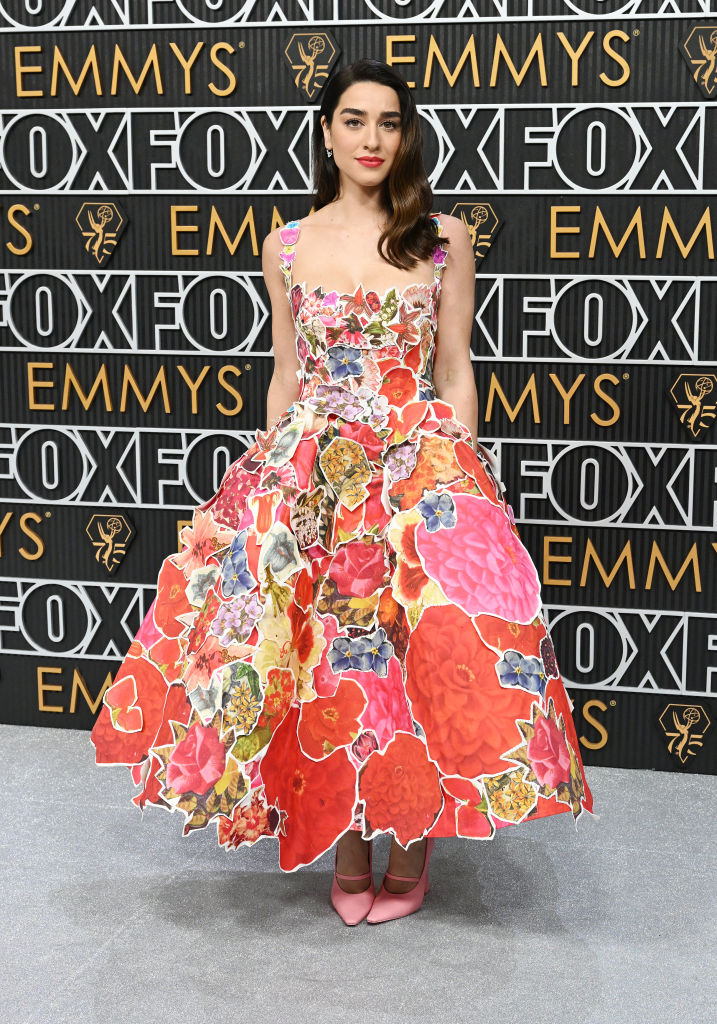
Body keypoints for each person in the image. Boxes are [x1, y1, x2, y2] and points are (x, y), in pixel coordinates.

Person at [90, 57, 594, 927]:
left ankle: (411, 845)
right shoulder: (285, 244)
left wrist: (461, 465)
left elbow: (455, 365)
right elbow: (286, 371)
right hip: (315, 469)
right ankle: (349, 841)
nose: (371, 138)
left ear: (405, 136)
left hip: (416, 464)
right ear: (327, 133)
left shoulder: (442, 236)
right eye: (354, 120)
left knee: (420, 651)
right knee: (324, 657)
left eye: (388, 122)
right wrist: (265, 463)